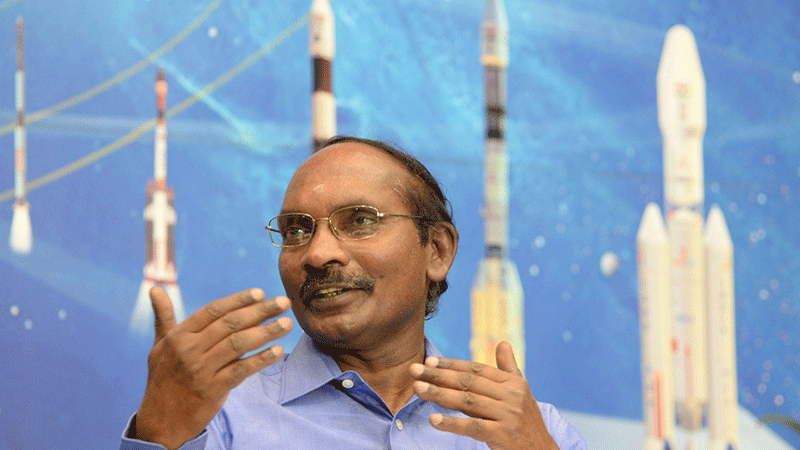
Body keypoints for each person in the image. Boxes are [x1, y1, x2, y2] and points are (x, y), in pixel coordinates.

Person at [119, 136, 587, 450]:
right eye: (296, 230)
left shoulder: (526, 430)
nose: (318, 253)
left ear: (437, 250)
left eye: (360, 221)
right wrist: (159, 434)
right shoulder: (218, 420)